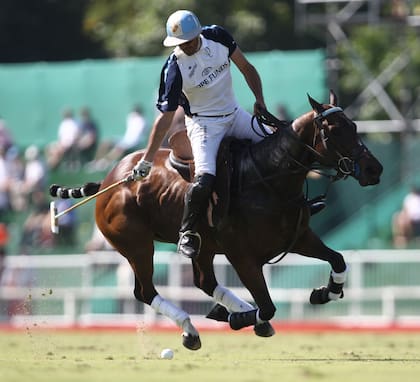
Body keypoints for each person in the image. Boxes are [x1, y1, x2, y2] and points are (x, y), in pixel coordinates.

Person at [130, 10, 269, 259]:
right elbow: (165, 117)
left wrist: (260, 100)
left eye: (188, 41)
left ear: (198, 34)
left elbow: (247, 68)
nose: (185, 46)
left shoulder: (217, 36)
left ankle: (294, 205)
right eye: (179, 43)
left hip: (235, 114)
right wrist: (148, 160)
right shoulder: (173, 67)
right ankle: (188, 231)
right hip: (204, 125)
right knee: (204, 178)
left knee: (275, 146)